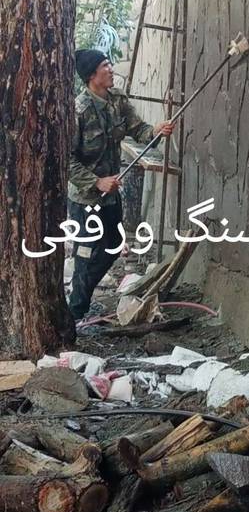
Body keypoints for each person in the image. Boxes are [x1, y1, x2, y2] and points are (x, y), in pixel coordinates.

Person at [68, 49, 174, 321]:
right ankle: (75, 313)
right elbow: (66, 160)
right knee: (85, 254)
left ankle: (80, 299)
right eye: (105, 65)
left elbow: (139, 130)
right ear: (92, 75)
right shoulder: (78, 111)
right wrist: (97, 182)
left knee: (114, 244)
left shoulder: (117, 100)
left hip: (111, 196)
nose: (111, 69)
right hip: (85, 199)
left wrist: (156, 131)